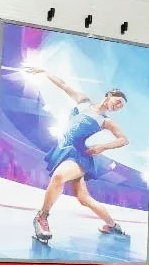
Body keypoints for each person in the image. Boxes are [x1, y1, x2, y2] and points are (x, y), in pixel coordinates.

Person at [25, 66, 130, 243]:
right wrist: (44, 71)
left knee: (59, 176)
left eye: (121, 107)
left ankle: (42, 216)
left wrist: (102, 147)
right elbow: (63, 85)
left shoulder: (106, 121)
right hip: (64, 149)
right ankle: (113, 226)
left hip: (79, 155)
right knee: (84, 198)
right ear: (110, 94)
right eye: (118, 101)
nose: (118, 106)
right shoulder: (83, 101)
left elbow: (123, 140)